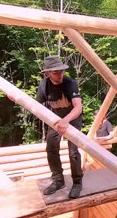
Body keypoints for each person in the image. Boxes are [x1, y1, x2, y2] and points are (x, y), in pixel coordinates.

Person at [35, 55, 83, 198]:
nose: (60, 75)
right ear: (47, 73)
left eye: (61, 71)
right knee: (51, 148)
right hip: (55, 120)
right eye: (56, 73)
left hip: (72, 119)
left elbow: (78, 107)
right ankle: (58, 180)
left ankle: (77, 182)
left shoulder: (70, 83)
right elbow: (35, 106)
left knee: (73, 152)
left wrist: (66, 120)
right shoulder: (44, 86)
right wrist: (17, 98)